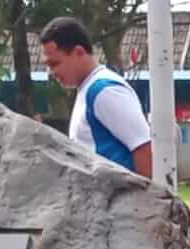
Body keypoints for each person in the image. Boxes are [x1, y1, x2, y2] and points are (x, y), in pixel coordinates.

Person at [41, 15, 153, 177]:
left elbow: (144, 149)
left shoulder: (105, 91)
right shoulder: (87, 90)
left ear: (79, 52)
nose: (51, 73)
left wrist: (146, 201)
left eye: (55, 64)